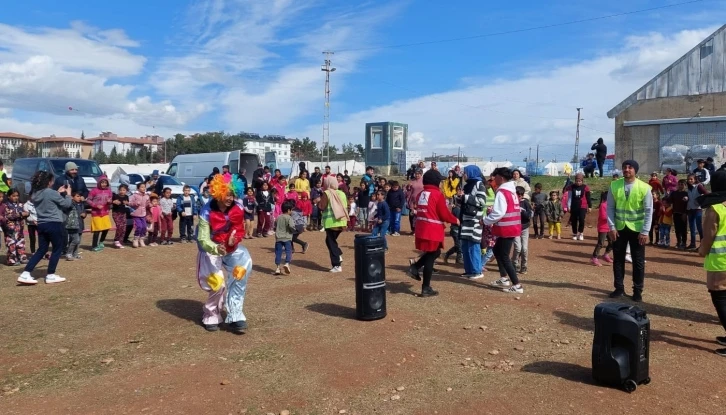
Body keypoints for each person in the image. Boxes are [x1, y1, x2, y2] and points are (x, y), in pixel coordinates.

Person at [196, 173, 251, 333]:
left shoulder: (238, 207)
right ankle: (211, 314)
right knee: (217, 283)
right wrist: (215, 248)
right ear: (218, 193)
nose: (230, 198)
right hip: (210, 249)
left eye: (232, 194)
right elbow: (203, 238)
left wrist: (235, 238)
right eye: (227, 194)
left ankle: (235, 313)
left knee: (241, 271)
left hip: (230, 247)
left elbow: (238, 228)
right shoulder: (206, 211)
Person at [406, 170, 460, 297]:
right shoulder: (437, 194)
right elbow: (443, 213)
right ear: (435, 181)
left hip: (422, 227)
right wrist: (455, 219)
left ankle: (415, 267)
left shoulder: (422, 194)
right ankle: (426, 287)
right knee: (431, 256)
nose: (441, 183)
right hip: (432, 229)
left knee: (434, 253)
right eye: (440, 181)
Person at [607, 160, 653, 302]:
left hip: (637, 230)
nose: (627, 169)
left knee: (638, 261)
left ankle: (637, 290)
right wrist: (612, 227)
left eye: (630, 167)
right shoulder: (614, 185)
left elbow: (648, 211)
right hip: (619, 229)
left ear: (635, 170)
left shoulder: (645, 188)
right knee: (618, 259)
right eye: (624, 167)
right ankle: (619, 288)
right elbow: (610, 208)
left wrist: (645, 231)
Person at [17, 171, 72, 285]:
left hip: (42, 224)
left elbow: (48, 200)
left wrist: (57, 192)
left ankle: (26, 273)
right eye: (52, 180)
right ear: (48, 181)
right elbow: (66, 204)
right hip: (54, 223)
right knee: (57, 248)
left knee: (42, 250)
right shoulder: (50, 193)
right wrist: (68, 194)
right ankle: (51, 274)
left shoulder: (36, 194)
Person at [697, 170, 726, 356]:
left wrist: (702, 251)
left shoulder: (715, 209)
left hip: (721, 262)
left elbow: (708, 237)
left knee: (720, 299)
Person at [487, 167, 525, 294]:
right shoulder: (511, 190)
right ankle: (504, 278)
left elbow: (499, 212)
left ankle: (517, 285)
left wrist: (486, 220)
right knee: (497, 251)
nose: (493, 178)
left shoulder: (502, 191)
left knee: (503, 255)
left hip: (506, 228)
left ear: (501, 178)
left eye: (495, 176)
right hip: (512, 226)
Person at [459, 165, 487, 279]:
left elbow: (481, 202)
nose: (463, 175)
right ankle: (469, 270)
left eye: (465, 172)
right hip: (465, 219)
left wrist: (465, 197)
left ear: (471, 173)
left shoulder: (479, 185)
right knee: (465, 246)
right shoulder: (467, 185)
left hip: (475, 220)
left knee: (474, 245)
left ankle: (477, 271)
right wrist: (459, 198)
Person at [318, 176, 348, 273]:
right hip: (342, 221)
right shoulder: (342, 193)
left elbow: (322, 206)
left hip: (331, 222)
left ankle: (337, 264)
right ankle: (338, 254)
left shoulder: (327, 193)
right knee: (330, 241)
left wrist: (319, 201)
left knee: (331, 242)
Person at [0, 189, 29, 265]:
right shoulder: (5, 205)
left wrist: (26, 214)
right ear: (9, 196)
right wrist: (20, 214)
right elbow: (7, 216)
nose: (16, 197)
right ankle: (11, 260)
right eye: (13, 196)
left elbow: (26, 213)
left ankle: (22, 257)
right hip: (10, 228)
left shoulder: (20, 205)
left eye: (17, 196)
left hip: (20, 227)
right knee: (11, 244)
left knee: (20, 243)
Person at [563, 173, 592, 241]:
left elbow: (588, 197)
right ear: (575, 181)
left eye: (580, 181)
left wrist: (590, 206)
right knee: (574, 220)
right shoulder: (571, 187)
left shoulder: (585, 187)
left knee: (582, 219)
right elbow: (569, 197)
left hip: (583, 205)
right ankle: (575, 233)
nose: (578, 182)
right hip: (574, 206)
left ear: (582, 181)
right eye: (577, 181)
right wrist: (568, 206)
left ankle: (581, 233)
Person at [87, 175, 113, 252]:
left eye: (105, 182)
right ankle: (94, 246)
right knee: (97, 230)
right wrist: (95, 205)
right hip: (96, 213)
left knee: (106, 228)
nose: (104, 184)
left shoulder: (109, 191)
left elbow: (110, 200)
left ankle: (101, 242)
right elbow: (88, 200)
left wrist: (109, 202)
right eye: (102, 182)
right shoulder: (94, 191)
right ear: (99, 183)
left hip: (105, 212)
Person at [686, 174, 709, 250]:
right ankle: (693, 244)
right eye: (689, 179)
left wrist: (701, 200)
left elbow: (706, 193)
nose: (690, 180)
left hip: (697, 209)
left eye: (691, 179)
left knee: (699, 227)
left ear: (695, 179)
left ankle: (702, 245)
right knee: (692, 227)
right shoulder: (689, 188)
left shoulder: (699, 186)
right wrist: (686, 198)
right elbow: (690, 197)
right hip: (690, 209)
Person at [512, 186, 531, 275]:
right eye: (516, 195)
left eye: (520, 195)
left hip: (524, 228)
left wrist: (522, 212)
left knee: (524, 248)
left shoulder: (525, 203)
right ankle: (514, 264)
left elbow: (529, 215)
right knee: (517, 248)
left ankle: (524, 266)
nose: (518, 197)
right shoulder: (511, 203)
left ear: (522, 195)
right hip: (515, 228)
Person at [274, 200, 296, 275]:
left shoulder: (278, 217)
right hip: (287, 238)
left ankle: (277, 267)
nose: (292, 211)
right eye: (291, 210)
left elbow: (275, 226)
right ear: (288, 210)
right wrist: (294, 230)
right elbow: (291, 226)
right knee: (288, 251)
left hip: (279, 238)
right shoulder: (289, 218)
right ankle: (287, 263)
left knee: (278, 252)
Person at [591, 191, 613, 266]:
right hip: (603, 227)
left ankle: (606, 254)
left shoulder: (612, 205)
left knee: (612, 242)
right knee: (601, 243)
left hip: (610, 227)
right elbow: (603, 217)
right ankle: (594, 257)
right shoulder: (603, 205)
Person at [65, 191, 86, 260]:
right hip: (72, 225)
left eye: (80, 196)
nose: (79, 198)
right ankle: (69, 253)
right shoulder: (71, 204)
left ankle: (75, 254)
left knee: (78, 241)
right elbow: (67, 206)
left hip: (80, 224)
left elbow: (84, 211)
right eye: (77, 196)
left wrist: (84, 214)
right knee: (75, 240)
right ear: (72, 197)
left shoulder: (81, 204)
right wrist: (69, 197)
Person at [669, 179, 689, 249]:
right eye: (679, 184)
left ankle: (684, 243)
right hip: (676, 212)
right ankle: (678, 242)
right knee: (677, 228)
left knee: (683, 228)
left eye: (682, 184)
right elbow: (669, 201)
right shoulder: (674, 193)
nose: (680, 186)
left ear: (685, 185)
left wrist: (685, 213)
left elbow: (688, 204)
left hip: (683, 213)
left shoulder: (686, 193)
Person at [129, 182, 151, 248]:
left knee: (144, 227)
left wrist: (149, 205)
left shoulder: (147, 196)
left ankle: (141, 240)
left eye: (144, 187)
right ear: (138, 188)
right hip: (136, 214)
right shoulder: (134, 195)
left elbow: (147, 203)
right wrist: (135, 203)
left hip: (143, 214)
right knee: (139, 226)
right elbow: (129, 203)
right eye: (141, 187)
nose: (143, 188)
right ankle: (135, 239)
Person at [443, 192, 462, 264]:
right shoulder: (457, 209)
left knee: (459, 245)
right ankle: (456, 257)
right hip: (455, 230)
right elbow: (459, 221)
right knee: (459, 245)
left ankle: (457, 258)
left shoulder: (458, 208)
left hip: (457, 229)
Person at [405, 169, 424, 234]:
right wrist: (408, 186)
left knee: (420, 216)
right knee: (411, 216)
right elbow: (408, 190)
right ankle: (413, 229)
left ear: (421, 174)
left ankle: (419, 230)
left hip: (421, 201)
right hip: (412, 201)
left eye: (418, 174)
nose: (417, 175)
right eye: (416, 174)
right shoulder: (412, 181)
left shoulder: (424, 181)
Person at [112, 184, 129, 249]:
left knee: (124, 228)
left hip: (123, 213)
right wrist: (114, 202)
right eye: (121, 190)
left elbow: (127, 203)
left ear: (126, 191)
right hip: (116, 213)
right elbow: (112, 202)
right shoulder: (115, 196)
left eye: (124, 190)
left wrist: (127, 203)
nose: (122, 191)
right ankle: (116, 240)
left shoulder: (126, 196)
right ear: (118, 190)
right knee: (119, 226)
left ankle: (120, 241)